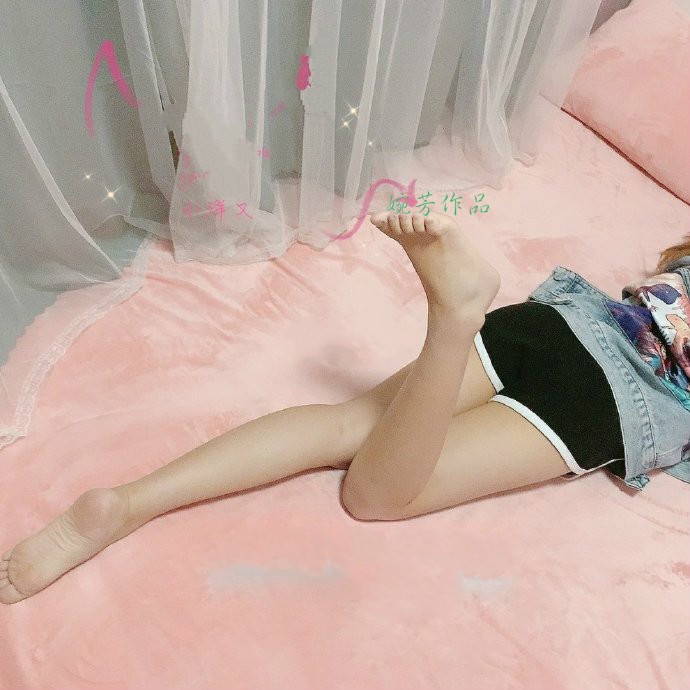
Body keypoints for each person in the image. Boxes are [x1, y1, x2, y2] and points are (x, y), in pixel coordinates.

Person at [2, 212, 689, 605]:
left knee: (349, 423)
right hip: (624, 397)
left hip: (563, 323)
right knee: (378, 494)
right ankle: (453, 318)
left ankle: (126, 502)